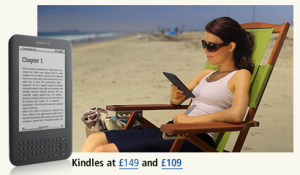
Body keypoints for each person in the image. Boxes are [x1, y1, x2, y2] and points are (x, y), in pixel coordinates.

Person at [81, 17, 255, 152]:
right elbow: (176, 102)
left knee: (103, 152)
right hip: (171, 129)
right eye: (204, 44)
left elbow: (237, 114)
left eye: (211, 46)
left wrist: (191, 120)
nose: (205, 51)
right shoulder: (206, 74)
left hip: (195, 140)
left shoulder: (240, 75)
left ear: (231, 46)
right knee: (94, 140)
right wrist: (176, 96)